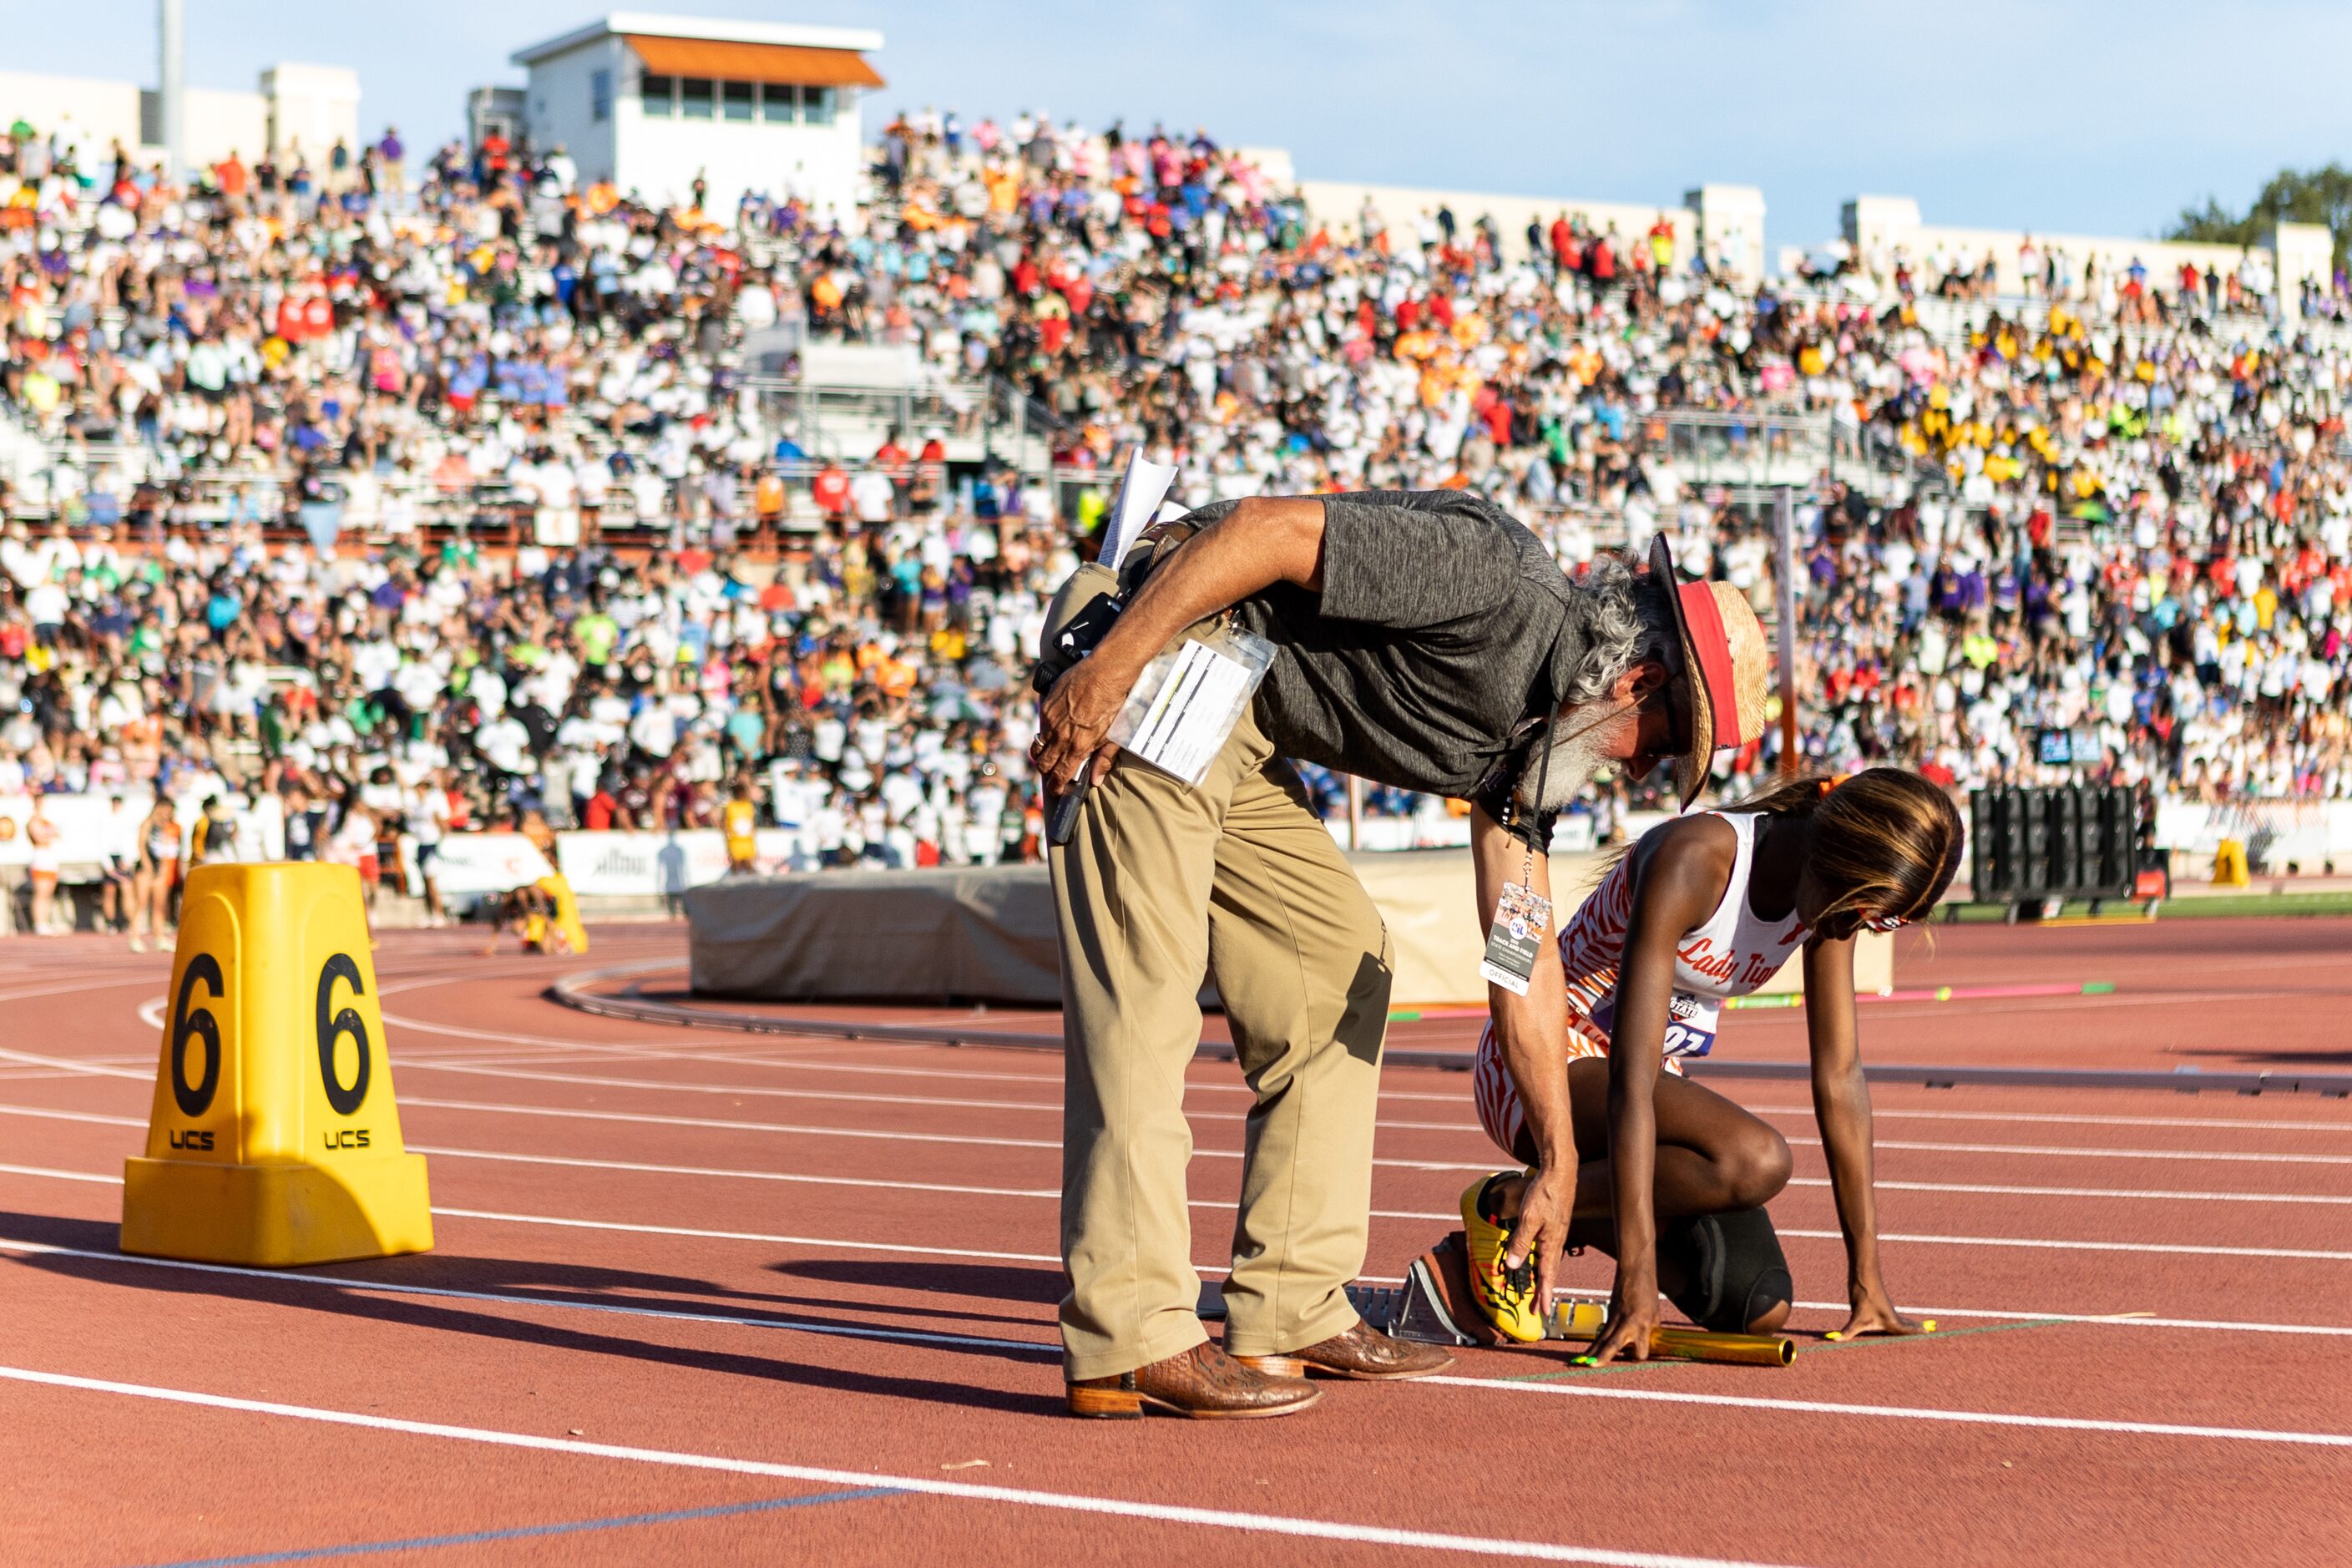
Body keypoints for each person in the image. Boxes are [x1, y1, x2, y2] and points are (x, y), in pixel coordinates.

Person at [1029, 491, 1766, 1419]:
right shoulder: (1494, 580)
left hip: (1242, 722)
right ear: (1638, 685)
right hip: (1164, 654)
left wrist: (1560, 1157)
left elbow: (1522, 951)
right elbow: (1262, 531)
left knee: (1340, 972)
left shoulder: (1527, 758)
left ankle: (1292, 1305)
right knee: (1144, 997)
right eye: (1662, 749)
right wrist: (1109, 667)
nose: (1644, 773)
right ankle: (1128, 1333)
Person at [1457, 768, 1964, 1357]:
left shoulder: (1829, 901)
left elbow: (1839, 1076)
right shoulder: (1693, 858)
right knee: (1755, 1158)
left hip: (1644, 1080)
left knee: (1757, 1307)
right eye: (1862, 913)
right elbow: (1630, 1077)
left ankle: (1511, 1203)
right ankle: (1530, 1199)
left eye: (1881, 922)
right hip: (1542, 1062)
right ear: (1835, 851)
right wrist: (1635, 1283)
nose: (1854, 929)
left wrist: (1866, 1280)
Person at [25, 797, 63, 936]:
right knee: (40, 892)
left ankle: (45, 922)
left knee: (48, 893)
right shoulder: (33, 821)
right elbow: (38, 837)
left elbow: (57, 834)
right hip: (40, 857)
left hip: (49, 856)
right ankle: (38, 923)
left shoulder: (46, 821)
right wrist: (50, 834)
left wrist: (50, 834)